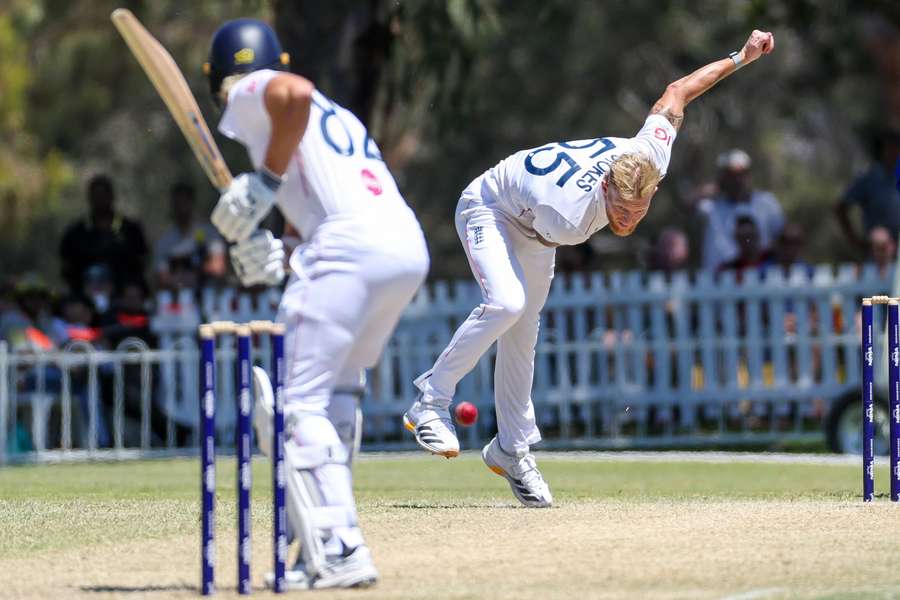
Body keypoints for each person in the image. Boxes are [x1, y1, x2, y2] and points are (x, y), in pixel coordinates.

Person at [404, 30, 775, 508]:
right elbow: (534, 233)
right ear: (604, 187)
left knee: (523, 330)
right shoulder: (570, 216)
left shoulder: (651, 155)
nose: (626, 220)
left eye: (636, 212)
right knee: (507, 303)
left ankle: (512, 451)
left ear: (653, 190)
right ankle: (430, 400)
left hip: (532, 226)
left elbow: (678, 92)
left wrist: (740, 57)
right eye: (618, 210)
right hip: (491, 205)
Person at [204, 19, 429, 589]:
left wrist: (263, 180)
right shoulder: (339, 117)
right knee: (337, 394)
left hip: (347, 249)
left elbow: (292, 92)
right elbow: (320, 201)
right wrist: (281, 249)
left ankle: (337, 543)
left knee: (292, 403)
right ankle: (323, 540)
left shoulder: (253, 88)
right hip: (402, 245)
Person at [697, 149, 784, 272]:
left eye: (741, 174)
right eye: (731, 175)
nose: (737, 180)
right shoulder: (711, 207)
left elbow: (781, 239)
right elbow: (687, 205)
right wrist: (712, 189)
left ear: (749, 175)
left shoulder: (767, 202)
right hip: (717, 283)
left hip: (761, 278)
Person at [59, 175, 148, 294]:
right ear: (89, 198)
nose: (100, 200)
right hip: (85, 298)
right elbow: (67, 268)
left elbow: (141, 263)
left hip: (123, 296)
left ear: (112, 196)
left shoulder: (130, 229)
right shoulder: (76, 233)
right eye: (95, 195)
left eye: (103, 195)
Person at [834, 129, 900, 253]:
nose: (895, 151)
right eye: (891, 147)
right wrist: (855, 241)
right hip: (876, 253)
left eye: (897, 146)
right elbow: (841, 208)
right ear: (882, 150)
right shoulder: (869, 178)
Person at [153, 183, 226, 290]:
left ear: (192, 203)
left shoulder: (205, 232)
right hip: (178, 299)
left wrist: (198, 273)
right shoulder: (165, 241)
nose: (181, 208)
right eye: (177, 203)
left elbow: (219, 267)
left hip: (207, 296)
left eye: (184, 202)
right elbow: (161, 277)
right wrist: (176, 279)